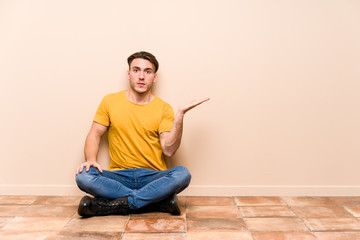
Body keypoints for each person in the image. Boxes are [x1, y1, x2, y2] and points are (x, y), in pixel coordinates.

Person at [75, 51, 209, 217]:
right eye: (136, 70)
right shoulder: (109, 101)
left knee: (182, 174)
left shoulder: (164, 108)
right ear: (129, 74)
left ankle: (112, 205)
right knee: (84, 176)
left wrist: (180, 115)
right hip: (118, 176)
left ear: (154, 77)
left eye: (147, 71)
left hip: (153, 176)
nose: (141, 76)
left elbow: (168, 150)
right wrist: (90, 160)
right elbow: (94, 134)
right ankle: (157, 201)